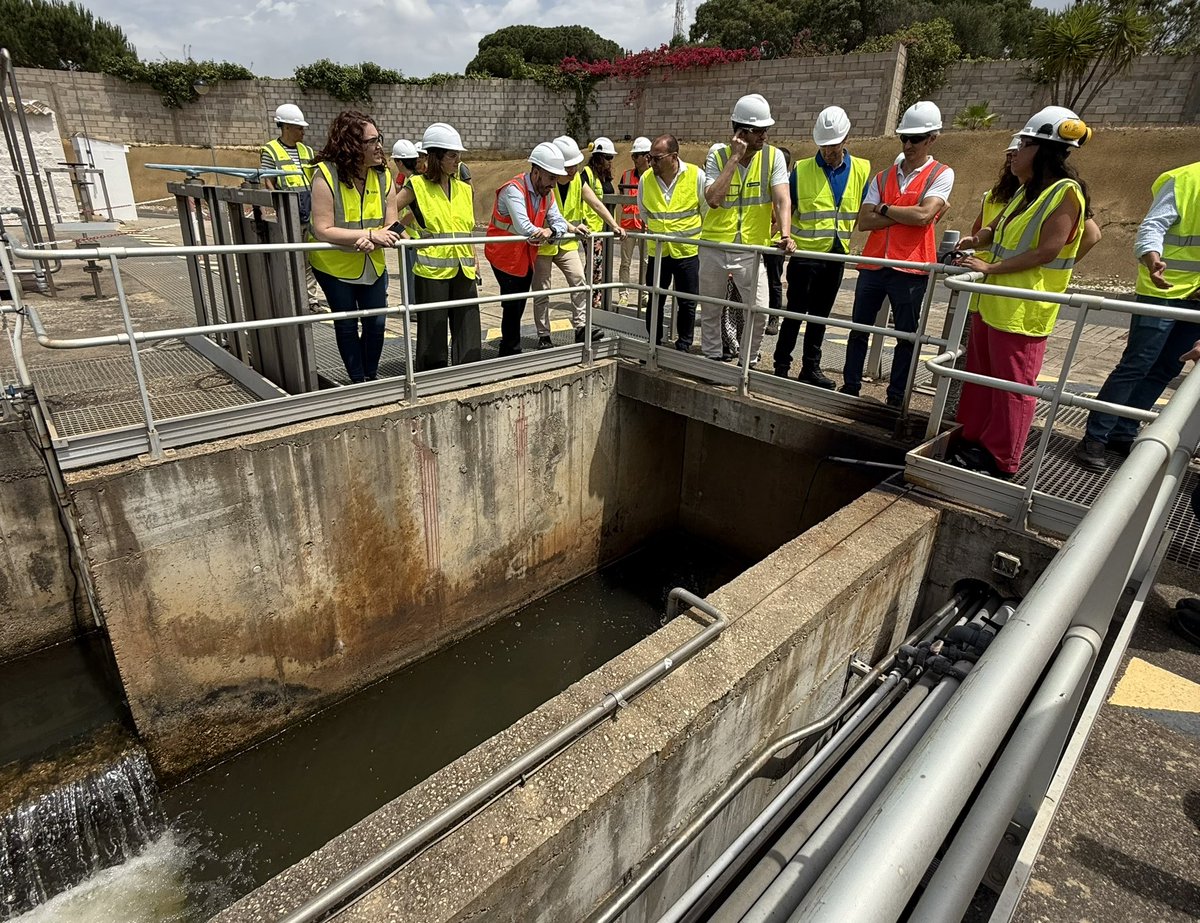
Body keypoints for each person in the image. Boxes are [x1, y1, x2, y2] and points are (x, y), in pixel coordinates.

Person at [950, 106, 1096, 479]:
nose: (1015, 152)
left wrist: (990, 268)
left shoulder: (1065, 193)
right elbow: (995, 229)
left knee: (1012, 387)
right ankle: (972, 439)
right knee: (982, 377)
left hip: (1023, 310)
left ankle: (1002, 458)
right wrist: (976, 239)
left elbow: (1048, 249)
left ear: (1043, 149)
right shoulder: (1028, 191)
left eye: (1024, 143)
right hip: (995, 304)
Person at [1075, 159, 1200, 472]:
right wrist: (1152, 259)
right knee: (1137, 363)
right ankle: (1095, 437)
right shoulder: (1185, 179)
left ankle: (1124, 432)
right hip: (1162, 290)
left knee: (1168, 367)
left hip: (1196, 297)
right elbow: (1153, 226)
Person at [841, 101, 954, 407]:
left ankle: (896, 395)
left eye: (915, 139)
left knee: (906, 335)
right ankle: (850, 385)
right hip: (874, 264)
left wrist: (886, 209)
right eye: (904, 137)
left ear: (932, 139)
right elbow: (864, 221)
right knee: (860, 328)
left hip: (910, 267)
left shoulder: (941, 175)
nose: (908, 144)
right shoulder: (883, 176)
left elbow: (924, 216)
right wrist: (910, 213)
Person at [773, 108, 871, 388]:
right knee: (795, 312)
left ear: (846, 139)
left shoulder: (862, 168)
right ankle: (782, 364)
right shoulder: (802, 169)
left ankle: (810, 368)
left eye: (833, 144)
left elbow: (863, 208)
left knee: (820, 316)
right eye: (824, 145)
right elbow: (785, 206)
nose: (828, 150)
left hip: (836, 255)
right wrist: (786, 235)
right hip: (805, 255)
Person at [699, 94, 794, 363]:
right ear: (741, 132)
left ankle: (747, 361)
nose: (765, 135)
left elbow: (782, 197)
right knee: (711, 309)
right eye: (759, 130)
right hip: (715, 245)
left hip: (751, 248)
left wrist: (785, 233)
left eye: (767, 130)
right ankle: (713, 358)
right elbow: (713, 199)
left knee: (761, 310)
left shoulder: (773, 157)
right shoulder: (717, 156)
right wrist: (734, 159)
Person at [307, 110, 399, 384]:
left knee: (376, 323)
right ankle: (358, 380)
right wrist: (369, 233)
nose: (379, 145)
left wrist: (375, 238)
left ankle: (370, 376)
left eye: (378, 138)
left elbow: (394, 226)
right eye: (371, 141)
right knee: (346, 324)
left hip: (372, 262)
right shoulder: (325, 174)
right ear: (351, 146)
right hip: (333, 265)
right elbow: (322, 228)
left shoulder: (384, 176)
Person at [392, 122, 481, 371]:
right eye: (452, 155)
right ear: (436, 156)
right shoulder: (417, 186)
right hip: (432, 273)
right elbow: (385, 213)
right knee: (433, 334)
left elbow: (467, 230)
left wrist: (475, 260)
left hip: (464, 269)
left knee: (469, 331)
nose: (458, 160)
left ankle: (469, 376)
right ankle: (432, 380)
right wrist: (403, 236)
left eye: (459, 155)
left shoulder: (464, 189)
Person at [531, 136, 625, 348]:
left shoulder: (578, 181)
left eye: (576, 164)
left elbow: (596, 204)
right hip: (545, 244)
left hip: (567, 244)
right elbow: (548, 214)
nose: (575, 169)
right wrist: (572, 228)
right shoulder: (546, 183)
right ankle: (544, 335)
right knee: (542, 290)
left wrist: (614, 225)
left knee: (580, 283)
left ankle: (581, 328)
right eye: (570, 165)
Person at [485, 142, 571, 356]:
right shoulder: (514, 189)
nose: (553, 184)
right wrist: (546, 231)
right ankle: (510, 350)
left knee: (517, 302)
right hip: (504, 254)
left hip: (525, 256)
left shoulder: (547, 194)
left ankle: (510, 348)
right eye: (551, 178)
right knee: (513, 302)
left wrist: (551, 231)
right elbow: (524, 227)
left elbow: (559, 221)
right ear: (536, 172)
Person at [640, 134, 706, 349]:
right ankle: (653, 343)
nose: (651, 162)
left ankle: (684, 345)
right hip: (658, 252)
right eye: (650, 157)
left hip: (687, 251)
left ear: (674, 156)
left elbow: (705, 211)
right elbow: (644, 212)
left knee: (687, 302)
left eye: (657, 158)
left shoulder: (696, 176)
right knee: (655, 299)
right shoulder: (646, 179)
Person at [261, 103, 322, 311]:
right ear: (286, 127)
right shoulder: (271, 150)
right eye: (299, 128)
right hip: (288, 208)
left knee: (309, 257)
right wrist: (275, 205)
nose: (303, 131)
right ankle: (292, 299)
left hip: (309, 206)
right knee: (291, 257)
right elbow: (268, 180)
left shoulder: (307, 150)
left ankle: (310, 300)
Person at [581, 137, 618, 309]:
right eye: (608, 157)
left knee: (599, 265)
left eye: (612, 158)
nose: (610, 161)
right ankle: (591, 300)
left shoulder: (604, 176)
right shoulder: (586, 174)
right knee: (595, 266)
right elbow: (593, 202)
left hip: (603, 227)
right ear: (598, 157)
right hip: (592, 227)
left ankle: (596, 298)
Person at [619, 137, 652, 306]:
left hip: (647, 227)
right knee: (625, 262)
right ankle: (623, 295)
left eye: (636, 156)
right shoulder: (625, 176)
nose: (634, 159)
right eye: (633, 156)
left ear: (647, 156)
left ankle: (645, 294)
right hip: (628, 227)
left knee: (646, 263)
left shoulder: (654, 177)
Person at [762, 146, 792, 337]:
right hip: (759, 241)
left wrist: (777, 233)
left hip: (774, 243)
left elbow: (780, 216)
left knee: (774, 281)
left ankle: (774, 317)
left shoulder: (785, 185)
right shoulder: (766, 180)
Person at [389, 139, 421, 302]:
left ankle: (413, 309)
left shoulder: (413, 183)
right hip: (410, 235)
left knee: (412, 279)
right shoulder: (416, 179)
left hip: (411, 236)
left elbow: (413, 212)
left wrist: (397, 228)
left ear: (399, 162)